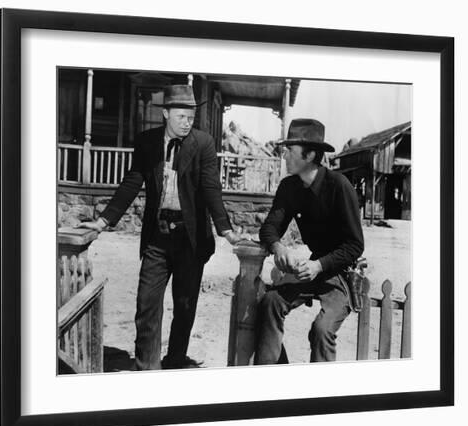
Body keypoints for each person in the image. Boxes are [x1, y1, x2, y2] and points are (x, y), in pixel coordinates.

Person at [78, 84, 240, 370]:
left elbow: (211, 189)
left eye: (191, 117)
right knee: (147, 305)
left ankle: (175, 362)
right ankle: (146, 368)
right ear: (165, 113)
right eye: (181, 116)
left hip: (191, 239)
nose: (187, 122)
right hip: (158, 236)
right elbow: (131, 183)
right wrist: (104, 220)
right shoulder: (147, 142)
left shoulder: (203, 144)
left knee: (185, 306)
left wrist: (225, 229)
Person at [256, 118, 364, 364]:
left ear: (310, 154)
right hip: (311, 269)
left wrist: (319, 266)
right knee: (270, 302)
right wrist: (277, 246)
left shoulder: (339, 186)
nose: (283, 156)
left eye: (289, 151)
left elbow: (355, 246)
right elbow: (269, 228)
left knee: (321, 329)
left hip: (340, 273)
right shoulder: (289, 187)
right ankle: (268, 378)